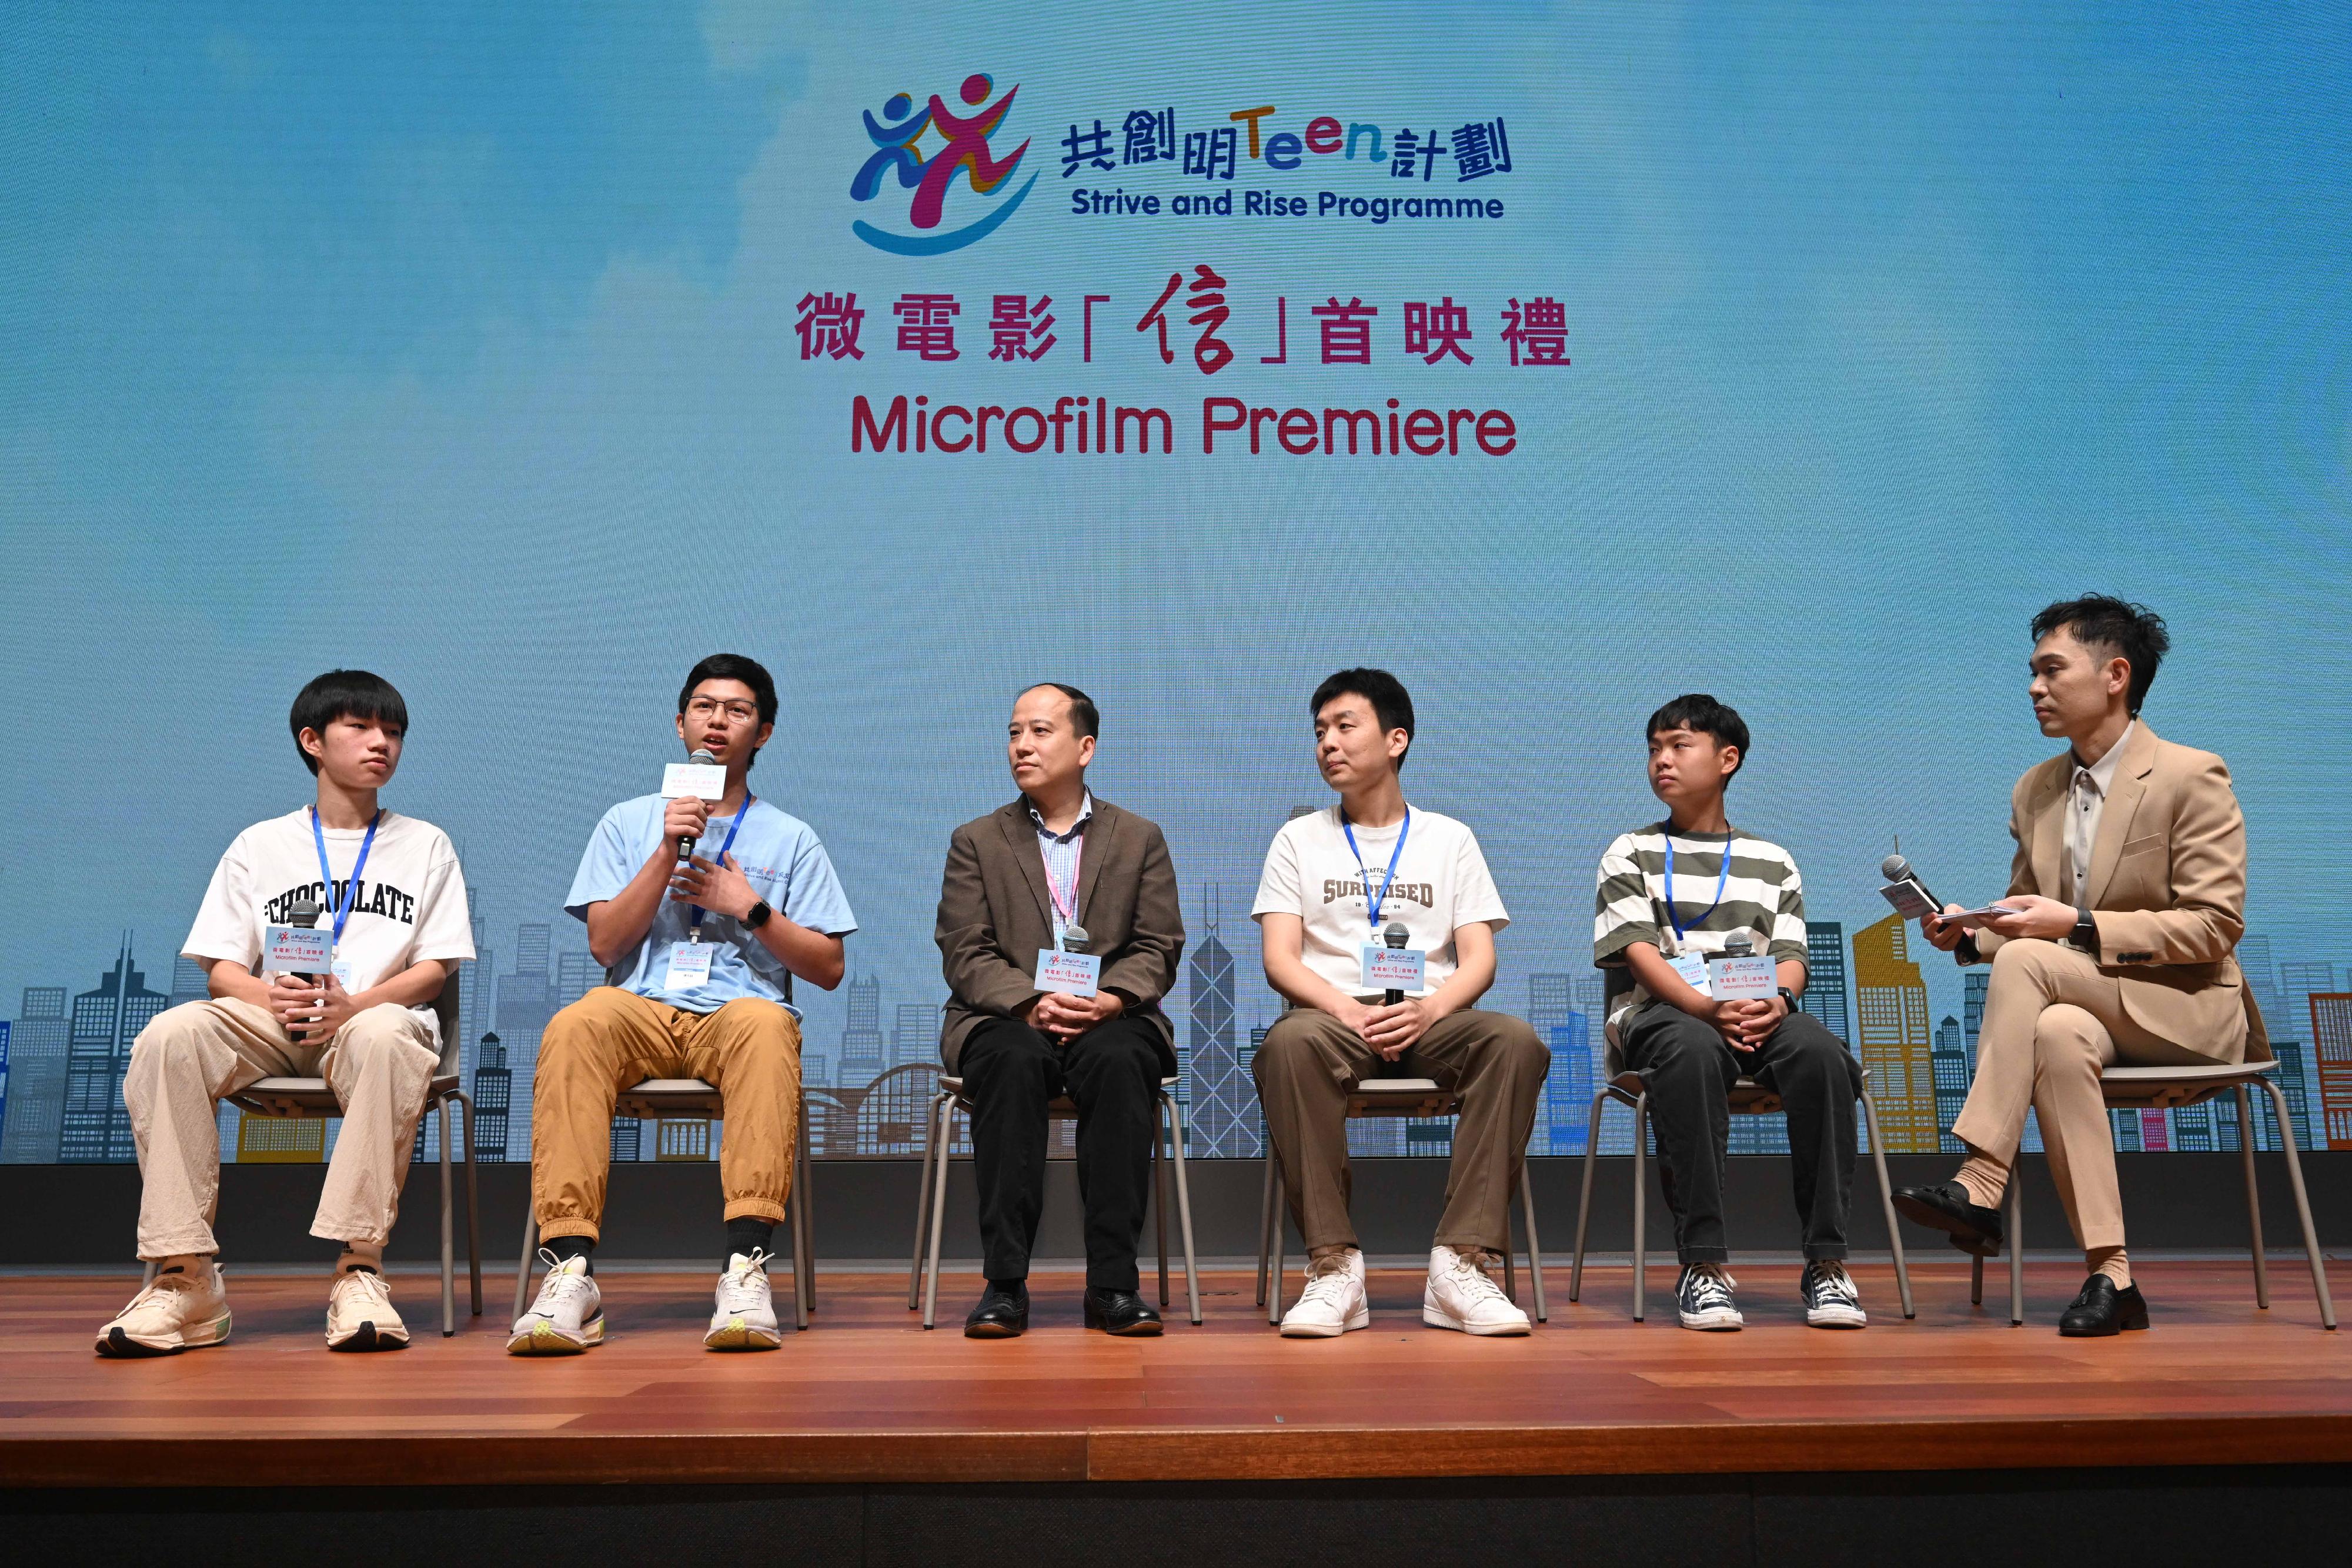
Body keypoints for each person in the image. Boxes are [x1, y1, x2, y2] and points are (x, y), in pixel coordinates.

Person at [1895, 597, 2260, 1336]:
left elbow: (2214, 926)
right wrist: (1969, 935)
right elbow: (2030, 921)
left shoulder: (2192, 776)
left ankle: (1983, 1180)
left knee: (2040, 971)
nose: (2034, 686)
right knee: (2058, 1033)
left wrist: (2080, 924)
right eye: (2031, 672)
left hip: (2184, 1012)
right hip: (2086, 1007)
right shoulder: (2035, 789)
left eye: (2051, 670)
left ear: (2116, 675)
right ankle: (2112, 1276)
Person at [98, 671, 475, 1356]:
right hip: (272, 1018)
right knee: (169, 1035)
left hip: (369, 1019)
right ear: (313, 741)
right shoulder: (259, 845)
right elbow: (219, 967)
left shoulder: (426, 845)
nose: (380, 743)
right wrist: (270, 997)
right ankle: (185, 1277)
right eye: (360, 728)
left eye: (392, 732)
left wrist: (354, 1004)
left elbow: (436, 966)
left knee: (390, 1037)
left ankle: (359, 1267)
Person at [510, 654, 855, 1354]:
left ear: (762, 733)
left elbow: (828, 968)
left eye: (736, 710)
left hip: (737, 1011)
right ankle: (569, 1270)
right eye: (704, 708)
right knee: (575, 1025)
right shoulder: (627, 822)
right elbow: (606, 943)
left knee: (766, 1025)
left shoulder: (791, 837)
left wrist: (748, 907)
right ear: (679, 724)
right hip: (637, 1006)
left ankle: (744, 1268)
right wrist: (667, 850)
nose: (717, 721)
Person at [1252, 668, 1548, 1338]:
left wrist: (1431, 1010)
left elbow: (1479, 958)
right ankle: (1334, 1269)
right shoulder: (1297, 839)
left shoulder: (1450, 839)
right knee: (1286, 1045)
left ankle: (1459, 1265)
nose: (1327, 742)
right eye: (1319, 731)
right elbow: (1279, 959)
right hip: (1333, 1017)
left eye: (1344, 726)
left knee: (1514, 1042)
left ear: (1395, 739)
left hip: (1430, 1013)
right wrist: (1349, 1012)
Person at [1593, 695, 1867, 1331]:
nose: (1661, 759)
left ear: (1727, 759)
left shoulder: (1772, 860)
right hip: (1666, 1012)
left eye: (1678, 745)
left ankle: (1826, 1264)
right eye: (1653, 748)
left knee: (1824, 1057)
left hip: (1756, 1007)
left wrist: (1780, 1001)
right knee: (1690, 1051)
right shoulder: (1628, 851)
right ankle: (1704, 1266)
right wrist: (1704, 1007)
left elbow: (1794, 955)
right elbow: (1637, 953)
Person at [935, 684, 1185, 1336]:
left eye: (1040, 731)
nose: (1022, 745)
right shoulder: (977, 841)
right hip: (1010, 1021)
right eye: (1014, 731)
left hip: (1111, 1016)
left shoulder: (1139, 838)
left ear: (1085, 748)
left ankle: (1112, 1286)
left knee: (1122, 1057)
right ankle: (1005, 1285)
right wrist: (1029, 1003)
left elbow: (1159, 945)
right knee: (1012, 1061)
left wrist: (1110, 999)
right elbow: (965, 950)